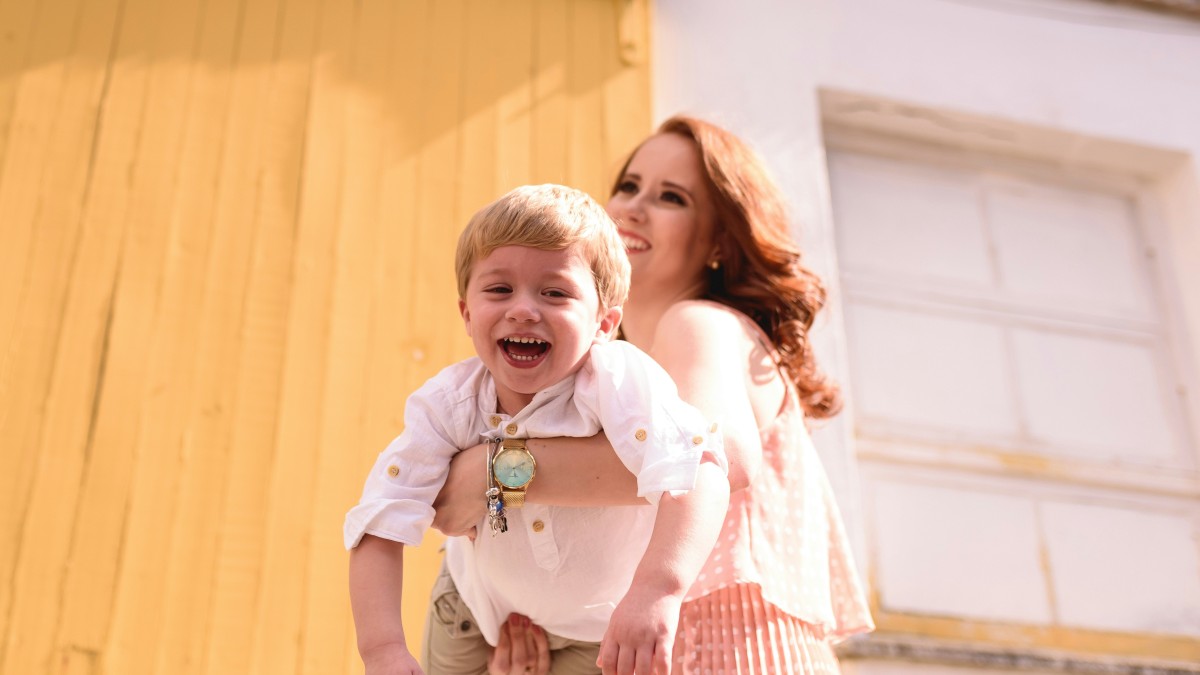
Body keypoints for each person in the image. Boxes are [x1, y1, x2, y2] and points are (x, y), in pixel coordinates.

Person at [431, 116, 874, 675]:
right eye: (629, 185)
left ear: (719, 242)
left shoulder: (697, 323)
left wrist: (494, 473)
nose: (634, 208)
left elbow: (719, 453)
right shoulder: (608, 373)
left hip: (730, 651)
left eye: (671, 197)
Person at [345, 184, 731, 675]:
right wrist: (382, 650)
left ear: (604, 323)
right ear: (467, 313)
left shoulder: (619, 383)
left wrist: (658, 591)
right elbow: (380, 520)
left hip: (599, 625)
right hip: (474, 610)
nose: (523, 309)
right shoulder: (448, 404)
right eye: (499, 289)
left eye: (555, 293)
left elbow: (699, 472)